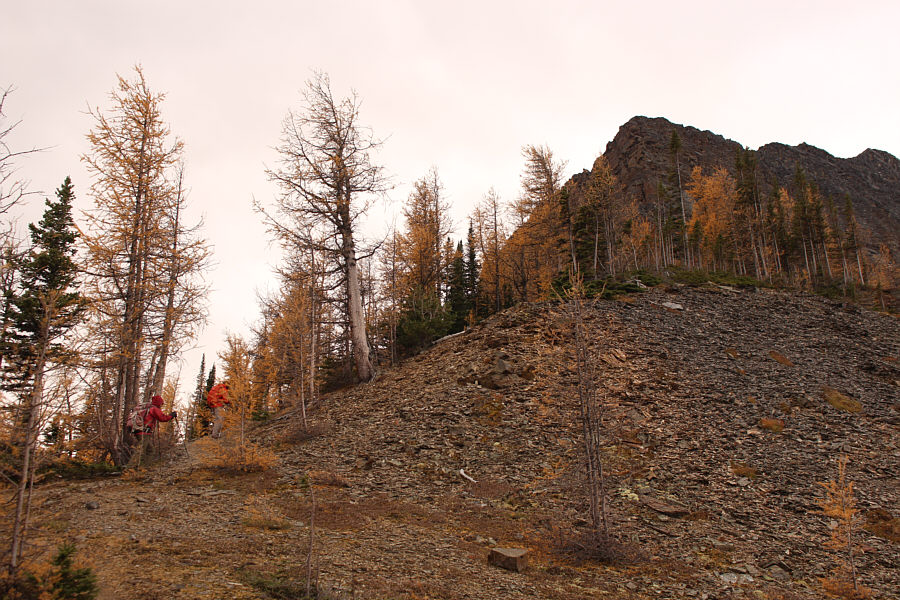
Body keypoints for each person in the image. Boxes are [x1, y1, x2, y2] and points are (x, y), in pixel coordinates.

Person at [128, 395, 176, 464]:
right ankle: (130, 469)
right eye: (161, 403)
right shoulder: (154, 409)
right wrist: (171, 415)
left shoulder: (148, 407)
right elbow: (163, 418)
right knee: (140, 450)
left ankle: (144, 466)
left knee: (149, 449)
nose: (161, 405)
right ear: (159, 402)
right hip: (144, 432)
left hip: (138, 430)